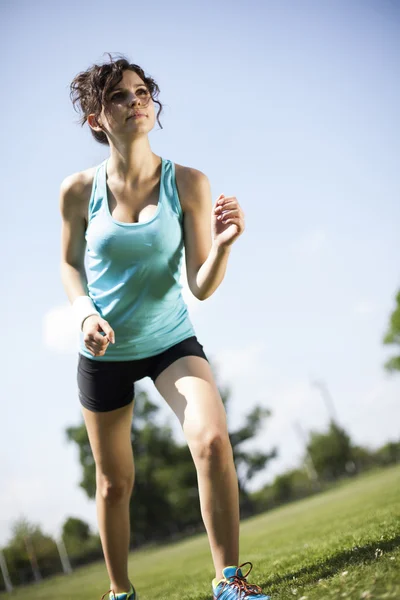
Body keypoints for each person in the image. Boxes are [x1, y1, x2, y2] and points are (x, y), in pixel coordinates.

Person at [60, 54, 271, 600]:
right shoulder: (78, 192)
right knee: (114, 483)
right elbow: (68, 265)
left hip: (170, 340)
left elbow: (200, 285)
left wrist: (223, 247)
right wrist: (85, 314)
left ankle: (229, 582)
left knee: (212, 439)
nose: (136, 102)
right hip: (104, 350)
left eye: (142, 92)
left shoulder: (189, 183)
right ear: (96, 120)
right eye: (120, 97)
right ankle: (119, 591)